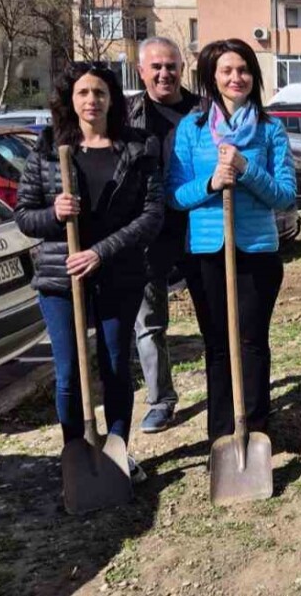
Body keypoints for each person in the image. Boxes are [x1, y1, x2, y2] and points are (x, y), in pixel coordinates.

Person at [14, 63, 164, 482]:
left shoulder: (137, 148)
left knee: (116, 365)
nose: (91, 101)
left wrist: (100, 252)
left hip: (118, 272)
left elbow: (151, 216)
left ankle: (117, 453)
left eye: (99, 92)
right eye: (82, 93)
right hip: (61, 278)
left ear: (111, 98)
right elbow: (24, 217)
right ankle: (76, 456)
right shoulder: (49, 149)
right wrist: (54, 213)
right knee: (69, 372)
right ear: (70, 100)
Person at [167, 39, 296, 443]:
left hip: (257, 251)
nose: (236, 77)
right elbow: (176, 194)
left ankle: (255, 427)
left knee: (252, 342)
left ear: (253, 76)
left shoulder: (270, 128)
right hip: (207, 253)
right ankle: (221, 434)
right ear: (212, 77)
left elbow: (285, 195)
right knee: (219, 347)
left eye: (243, 70)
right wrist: (211, 182)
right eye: (227, 70)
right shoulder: (193, 128)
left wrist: (245, 170)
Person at [128, 37, 201, 434]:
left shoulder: (204, 112)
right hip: (149, 233)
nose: (164, 74)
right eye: (155, 67)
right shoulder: (128, 116)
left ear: (182, 68)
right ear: (141, 71)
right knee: (150, 322)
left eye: (171, 66)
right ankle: (160, 400)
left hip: (198, 226)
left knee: (217, 317)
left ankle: (226, 395)